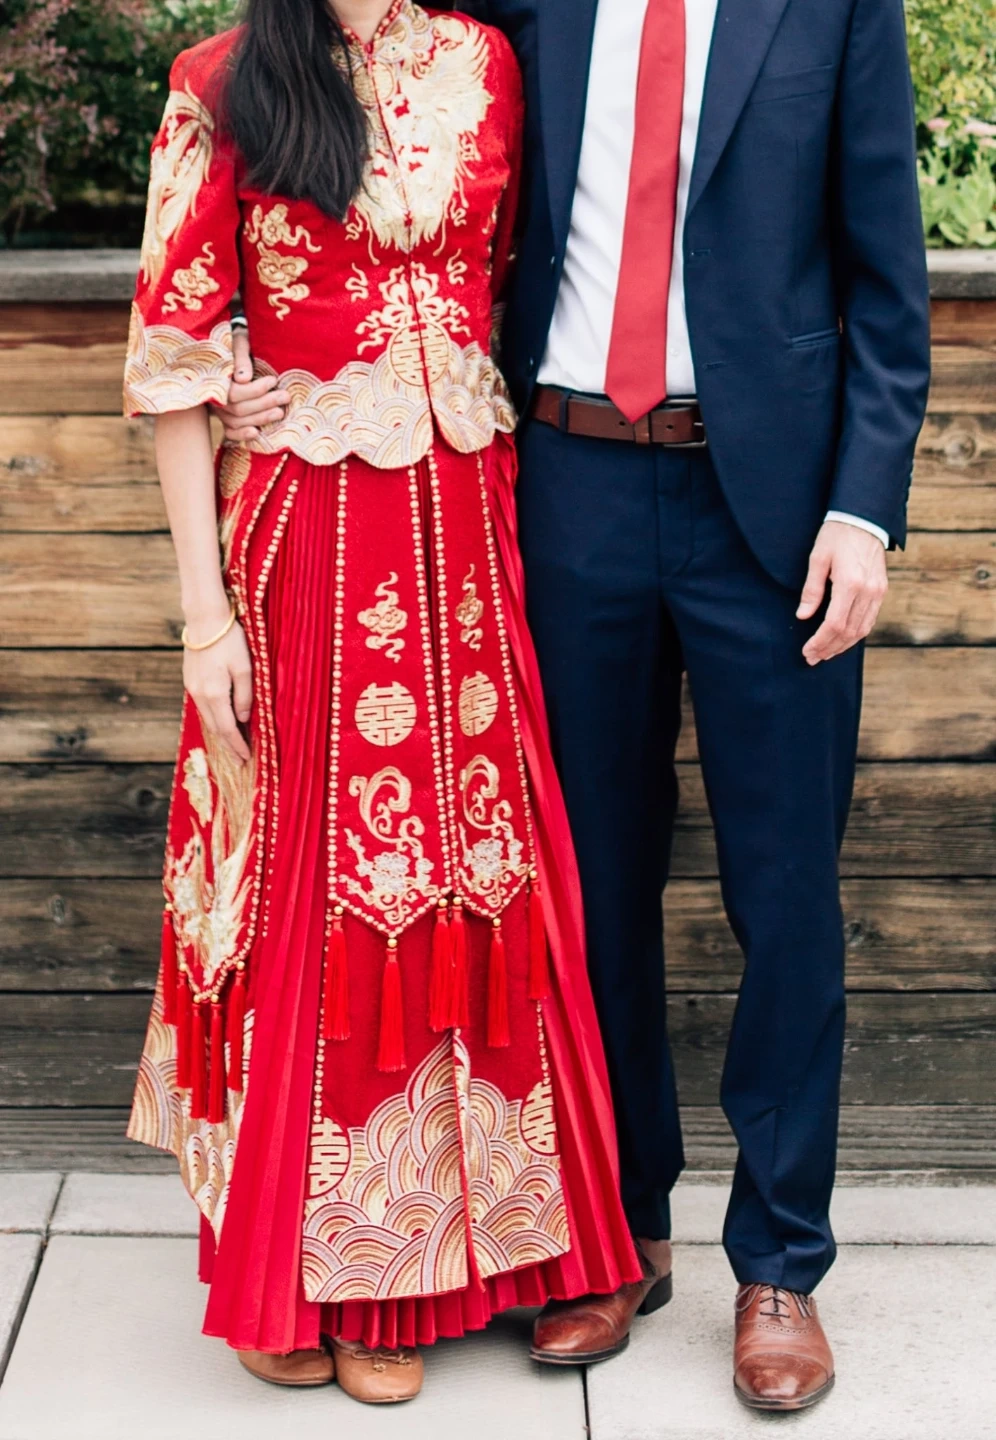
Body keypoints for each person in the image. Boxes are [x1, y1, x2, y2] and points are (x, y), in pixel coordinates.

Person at [220, 0, 932, 1413]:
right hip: (564, 489)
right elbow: (384, 137)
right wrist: (248, 333)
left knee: (786, 892)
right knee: (584, 886)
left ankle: (780, 1265)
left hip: (778, 511)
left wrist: (865, 508)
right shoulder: (519, 8)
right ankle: (615, 1232)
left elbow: (887, 274)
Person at [123, 0, 643, 1405]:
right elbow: (175, 361)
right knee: (312, 880)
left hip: (465, 529)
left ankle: (426, 1267)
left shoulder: (483, 63)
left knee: (466, 875)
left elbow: (512, 276)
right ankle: (308, 1269)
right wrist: (203, 617)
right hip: (309, 535)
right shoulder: (224, 82)